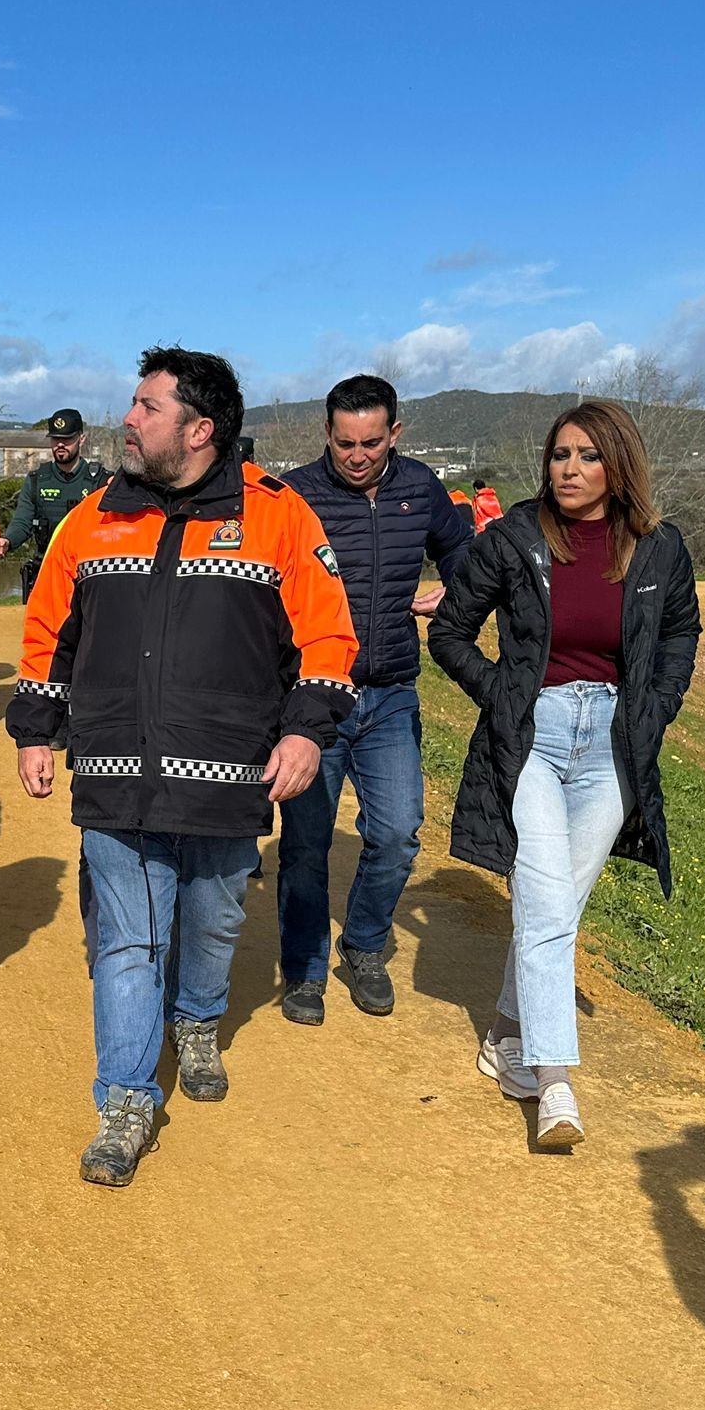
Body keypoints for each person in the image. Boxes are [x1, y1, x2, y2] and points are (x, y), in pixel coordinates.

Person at [8, 346, 358, 1188]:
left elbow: (328, 637)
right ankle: (125, 1099)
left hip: (229, 782)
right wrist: (33, 725)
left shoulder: (280, 516)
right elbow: (48, 627)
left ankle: (198, 1018)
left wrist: (307, 732)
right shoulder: (92, 516)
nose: (127, 420)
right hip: (117, 777)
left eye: (146, 407)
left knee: (213, 923)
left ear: (199, 429)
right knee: (127, 942)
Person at [429, 398, 700, 1148]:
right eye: (559, 455)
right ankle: (555, 1084)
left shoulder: (658, 548)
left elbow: (681, 632)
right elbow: (450, 631)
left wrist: (658, 710)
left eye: (586, 455)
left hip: (614, 744)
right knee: (547, 904)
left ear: (618, 465)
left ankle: (507, 1030)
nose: (569, 469)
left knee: (557, 907)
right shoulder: (516, 537)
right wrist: (502, 697)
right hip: (535, 741)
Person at [274, 376, 471, 1025]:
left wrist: (454, 588)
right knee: (306, 845)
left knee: (396, 834)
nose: (358, 456)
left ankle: (362, 946)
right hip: (314, 699)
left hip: (391, 695)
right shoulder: (297, 495)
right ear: (326, 434)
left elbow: (465, 553)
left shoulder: (419, 487)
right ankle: (303, 969)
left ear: (395, 434)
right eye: (345, 442)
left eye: (372, 443)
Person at [0, 407, 111, 602]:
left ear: (81, 439)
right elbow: (23, 522)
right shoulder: (37, 480)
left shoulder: (100, 481)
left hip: (86, 575)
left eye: (67, 439)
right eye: (55, 439)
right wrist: (7, 541)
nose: (60, 445)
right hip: (46, 572)